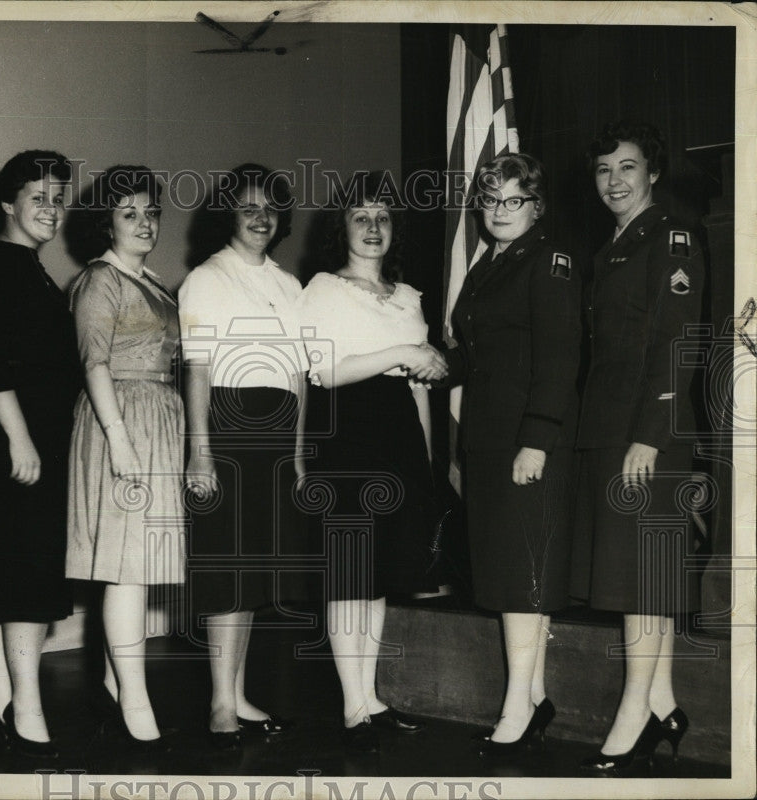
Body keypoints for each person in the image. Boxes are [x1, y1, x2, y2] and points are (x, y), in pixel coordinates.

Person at [297, 172, 447, 752]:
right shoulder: (324, 289)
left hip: (399, 437)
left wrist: (428, 464)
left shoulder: (408, 297)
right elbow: (326, 371)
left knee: (379, 572)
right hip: (347, 434)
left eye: (384, 217)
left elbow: (418, 390)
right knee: (349, 573)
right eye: (361, 217)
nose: (374, 227)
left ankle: (372, 698)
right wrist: (405, 352)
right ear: (343, 228)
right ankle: (352, 704)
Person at [574, 121, 704, 773]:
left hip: (649, 431)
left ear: (652, 172)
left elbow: (676, 343)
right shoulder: (613, 247)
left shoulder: (670, 238)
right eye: (603, 170)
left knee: (642, 578)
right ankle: (663, 705)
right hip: (609, 428)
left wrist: (649, 438)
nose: (615, 181)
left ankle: (634, 716)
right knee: (637, 570)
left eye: (627, 167)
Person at [442, 154, 581, 757]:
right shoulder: (488, 266)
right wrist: (425, 364)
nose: (499, 211)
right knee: (511, 572)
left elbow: (559, 357)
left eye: (513, 200)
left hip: (528, 441)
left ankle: (516, 710)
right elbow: (477, 356)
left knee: (525, 576)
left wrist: (536, 438)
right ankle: (534, 698)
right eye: (490, 200)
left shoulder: (549, 262)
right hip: (489, 437)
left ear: (537, 205)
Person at [0, 151, 80, 758]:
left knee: (2, 571)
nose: (51, 210)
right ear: (8, 205)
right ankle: (27, 709)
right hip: (13, 444)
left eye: (58, 199)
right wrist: (20, 437)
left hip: (22, 443)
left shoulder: (25, 267)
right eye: (38, 198)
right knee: (26, 574)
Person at [178, 164, 306, 749]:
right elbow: (198, 369)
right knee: (228, 569)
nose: (260, 218)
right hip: (228, 426)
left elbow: (300, 377)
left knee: (254, 571)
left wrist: (299, 454)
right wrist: (200, 453)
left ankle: (238, 692)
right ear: (228, 215)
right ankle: (219, 703)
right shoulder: (207, 278)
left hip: (278, 435)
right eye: (248, 208)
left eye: (270, 209)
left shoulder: (288, 283)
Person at [67, 166, 185, 746]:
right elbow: (94, 364)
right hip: (121, 422)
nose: (143, 223)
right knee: (126, 568)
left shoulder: (155, 281)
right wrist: (118, 438)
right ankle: (135, 698)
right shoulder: (99, 280)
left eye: (150, 212)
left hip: (157, 418)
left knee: (137, 565)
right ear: (106, 223)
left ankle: (120, 687)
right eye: (128, 213)